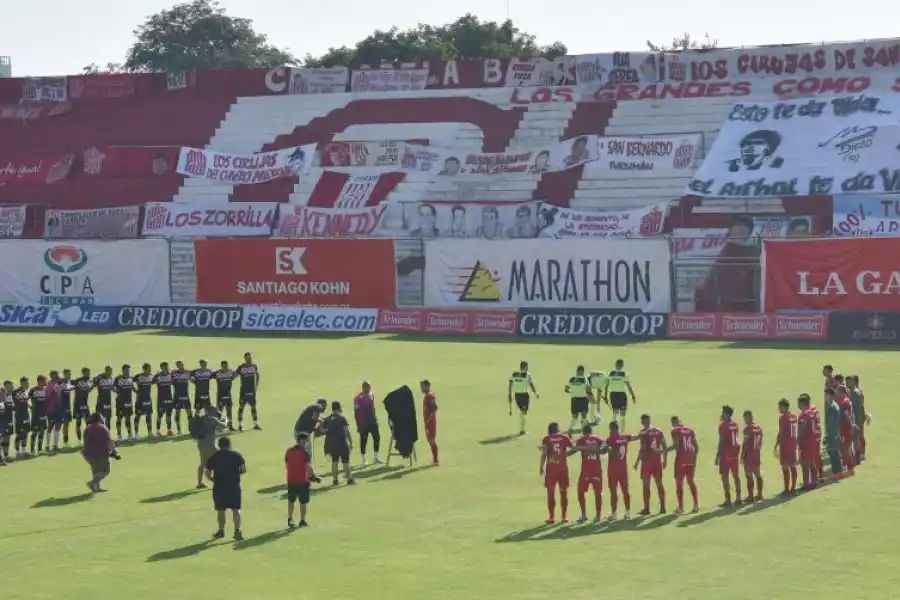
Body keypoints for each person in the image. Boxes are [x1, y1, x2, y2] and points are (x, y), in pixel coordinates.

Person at [204, 436, 246, 541]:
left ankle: (221, 531)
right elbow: (243, 469)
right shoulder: (236, 455)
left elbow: (207, 473)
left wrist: (213, 480)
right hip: (234, 486)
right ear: (229, 445)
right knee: (236, 510)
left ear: (219, 445)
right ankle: (238, 531)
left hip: (219, 487)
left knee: (220, 510)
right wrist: (237, 474)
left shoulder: (214, 457)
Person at [285, 433, 320, 529]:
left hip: (291, 480)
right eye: (306, 441)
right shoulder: (305, 453)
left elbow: (287, 465)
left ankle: (290, 519)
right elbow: (308, 467)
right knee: (303, 502)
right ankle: (302, 520)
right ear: (302, 441)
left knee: (291, 500)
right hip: (302, 481)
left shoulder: (289, 451)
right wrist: (313, 476)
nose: (307, 443)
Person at [634, 414, 666, 515]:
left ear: (642, 422)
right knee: (659, 484)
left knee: (646, 486)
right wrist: (665, 460)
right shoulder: (659, 431)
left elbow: (642, 449)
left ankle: (647, 508)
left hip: (647, 462)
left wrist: (636, 462)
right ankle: (662, 507)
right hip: (657, 462)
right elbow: (664, 446)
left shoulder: (643, 433)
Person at [539, 422, 572, 524]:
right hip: (562, 469)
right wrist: (564, 455)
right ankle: (564, 517)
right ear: (557, 429)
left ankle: (551, 517)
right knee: (563, 493)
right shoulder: (564, 437)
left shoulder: (546, 439)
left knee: (551, 493)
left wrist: (541, 466)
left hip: (551, 470)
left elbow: (544, 453)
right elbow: (574, 448)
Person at [574, 424, 607, 523]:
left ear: (583, 431)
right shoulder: (597, 439)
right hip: (597, 470)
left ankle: (584, 514)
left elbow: (576, 448)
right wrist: (599, 450)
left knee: (580, 492)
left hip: (586, 471)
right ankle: (598, 516)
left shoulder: (581, 439)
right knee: (598, 493)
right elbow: (605, 446)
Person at [669, 416, 699, 514]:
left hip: (681, 460)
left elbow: (675, 446)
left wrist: (662, 451)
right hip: (690, 459)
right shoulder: (690, 430)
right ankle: (695, 505)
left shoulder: (675, 431)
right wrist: (694, 458)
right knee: (690, 481)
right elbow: (696, 446)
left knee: (679, 483)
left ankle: (681, 507)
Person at [83, 412, 118, 492]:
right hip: (99, 453)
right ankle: (93, 483)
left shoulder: (88, 428)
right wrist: (114, 451)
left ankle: (96, 487)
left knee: (96, 471)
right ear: (99, 418)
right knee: (106, 470)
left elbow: (85, 441)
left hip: (87, 454)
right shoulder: (103, 428)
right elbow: (109, 441)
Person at [605, 421, 633, 520]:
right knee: (625, 490)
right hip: (623, 468)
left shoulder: (610, 439)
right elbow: (634, 437)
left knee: (613, 492)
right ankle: (628, 512)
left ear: (612, 429)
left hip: (613, 469)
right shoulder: (625, 437)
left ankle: (614, 514)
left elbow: (603, 448)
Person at [194, 406, 228, 489]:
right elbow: (224, 426)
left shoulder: (201, 420)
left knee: (202, 463)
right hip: (211, 446)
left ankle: (199, 483)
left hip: (201, 445)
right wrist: (225, 420)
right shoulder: (212, 419)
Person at [323, 401, 355, 486]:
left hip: (331, 444)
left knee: (334, 461)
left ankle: (335, 480)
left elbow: (322, 430)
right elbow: (346, 431)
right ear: (339, 409)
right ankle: (349, 479)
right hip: (341, 443)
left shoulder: (327, 419)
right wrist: (350, 441)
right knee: (345, 462)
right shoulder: (342, 419)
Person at [716, 405, 742, 507]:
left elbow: (721, 441)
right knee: (736, 476)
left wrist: (718, 455)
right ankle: (739, 498)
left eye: (722, 413)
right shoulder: (735, 424)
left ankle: (728, 500)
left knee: (725, 476)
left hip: (726, 454)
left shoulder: (723, 426)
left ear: (726, 414)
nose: (721, 415)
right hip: (735, 453)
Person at [353, 381, 381, 466]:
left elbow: (373, 408)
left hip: (372, 421)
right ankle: (364, 459)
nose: (369, 389)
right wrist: (358, 424)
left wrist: (376, 419)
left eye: (369, 387)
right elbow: (356, 412)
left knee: (377, 437)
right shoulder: (358, 398)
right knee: (363, 440)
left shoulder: (371, 395)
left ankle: (376, 457)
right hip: (363, 422)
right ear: (363, 388)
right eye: (367, 387)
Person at [773, 399, 797, 495]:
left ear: (784, 407)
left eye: (780, 407)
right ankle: (793, 488)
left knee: (785, 467)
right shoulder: (794, 416)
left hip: (785, 444)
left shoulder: (782, 418)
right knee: (792, 465)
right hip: (793, 444)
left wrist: (776, 444)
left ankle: (787, 489)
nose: (779, 409)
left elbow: (781, 431)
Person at [508, 361, 539, 436]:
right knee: (524, 412)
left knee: (522, 411)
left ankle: (522, 428)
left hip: (517, 395)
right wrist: (536, 393)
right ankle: (522, 430)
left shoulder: (514, 374)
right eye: (527, 367)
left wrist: (509, 394)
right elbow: (531, 385)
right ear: (525, 367)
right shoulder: (527, 375)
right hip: (524, 395)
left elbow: (510, 384)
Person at [604, 359, 635, 432]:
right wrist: (633, 395)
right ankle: (622, 431)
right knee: (623, 413)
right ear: (622, 365)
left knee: (615, 412)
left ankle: (613, 429)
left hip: (613, 394)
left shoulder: (610, 373)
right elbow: (628, 386)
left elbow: (606, 386)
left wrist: (605, 397)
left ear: (616, 364)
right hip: (621, 394)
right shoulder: (624, 373)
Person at [797, 395, 821, 489]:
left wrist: (798, 439)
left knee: (805, 463)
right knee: (811, 462)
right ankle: (814, 481)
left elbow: (802, 429)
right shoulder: (813, 413)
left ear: (802, 404)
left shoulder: (803, 415)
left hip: (806, 441)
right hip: (813, 440)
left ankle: (806, 484)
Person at [740, 410, 764, 501]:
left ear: (749, 417)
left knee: (749, 475)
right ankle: (760, 494)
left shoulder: (747, 429)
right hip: (756, 454)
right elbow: (761, 441)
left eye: (745, 418)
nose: (745, 420)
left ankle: (751, 496)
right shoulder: (759, 427)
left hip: (749, 455)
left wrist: (742, 455)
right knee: (758, 474)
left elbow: (745, 444)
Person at [236, 352, 261, 431]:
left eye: (250, 357)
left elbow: (257, 375)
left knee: (253, 407)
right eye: (247, 358)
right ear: (245, 359)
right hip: (243, 391)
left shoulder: (254, 366)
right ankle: (240, 425)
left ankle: (255, 424)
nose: (249, 359)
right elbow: (235, 375)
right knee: (241, 407)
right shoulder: (241, 367)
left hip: (252, 391)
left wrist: (256, 385)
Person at [835, 385, 857, 474]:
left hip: (845, 428)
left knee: (844, 448)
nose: (836, 393)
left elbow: (847, 415)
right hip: (846, 427)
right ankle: (848, 467)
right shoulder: (848, 401)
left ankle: (849, 468)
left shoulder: (844, 402)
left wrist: (851, 426)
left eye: (837, 391)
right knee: (846, 447)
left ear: (841, 392)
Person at [823, 389, 844, 477]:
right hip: (835, 432)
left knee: (833, 452)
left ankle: (837, 472)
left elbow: (831, 422)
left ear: (830, 395)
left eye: (826, 395)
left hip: (833, 433)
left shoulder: (832, 406)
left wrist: (828, 434)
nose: (825, 397)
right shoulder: (834, 405)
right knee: (834, 452)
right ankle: (838, 471)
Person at [846, 375, 866, 463]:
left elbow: (857, 407)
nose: (847, 384)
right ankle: (857, 455)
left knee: (858, 437)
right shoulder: (851, 392)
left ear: (854, 382)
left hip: (856, 419)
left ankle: (860, 455)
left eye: (849, 382)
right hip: (854, 419)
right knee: (855, 438)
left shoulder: (855, 393)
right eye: (846, 382)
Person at [566, 365, 591, 433]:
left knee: (575, 417)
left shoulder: (572, 379)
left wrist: (572, 391)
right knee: (584, 416)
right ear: (582, 371)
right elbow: (589, 390)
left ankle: (569, 429)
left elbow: (566, 389)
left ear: (577, 371)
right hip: (583, 400)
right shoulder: (585, 380)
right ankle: (585, 431)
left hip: (574, 400)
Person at [114, 364, 135, 441]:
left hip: (129, 401)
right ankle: (119, 435)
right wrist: (117, 392)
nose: (127, 371)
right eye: (126, 370)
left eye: (128, 370)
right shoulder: (118, 378)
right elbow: (112, 386)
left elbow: (132, 387)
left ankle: (129, 435)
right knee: (119, 418)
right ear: (123, 370)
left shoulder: (130, 378)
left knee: (128, 418)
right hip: (120, 402)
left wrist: (137, 392)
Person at [29, 375, 49, 455]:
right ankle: (32, 450)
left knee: (41, 432)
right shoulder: (33, 390)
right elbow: (27, 399)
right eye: (45, 381)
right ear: (40, 381)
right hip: (36, 415)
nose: (46, 382)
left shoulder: (46, 390)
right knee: (34, 432)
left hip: (44, 414)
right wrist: (30, 406)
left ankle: (40, 449)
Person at [154, 362, 175, 436]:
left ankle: (169, 430)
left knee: (169, 415)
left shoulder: (170, 375)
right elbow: (152, 382)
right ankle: (158, 432)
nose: (167, 368)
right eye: (165, 367)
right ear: (162, 368)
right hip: (161, 399)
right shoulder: (158, 376)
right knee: (160, 415)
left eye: (167, 367)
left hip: (169, 398)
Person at [72, 368, 93, 442]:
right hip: (78, 404)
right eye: (87, 373)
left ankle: (88, 439)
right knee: (79, 422)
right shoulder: (78, 380)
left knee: (88, 422)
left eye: (89, 372)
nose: (88, 374)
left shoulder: (89, 381)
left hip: (85, 404)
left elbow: (90, 388)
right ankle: (79, 440)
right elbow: (69, 383)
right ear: (83, 373)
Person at [134, 364, 154, 438]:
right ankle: (136, 434)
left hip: (148, 399)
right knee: (138, 416)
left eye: (150, 368)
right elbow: (129, 381)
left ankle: (149, 432)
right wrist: (135, 391)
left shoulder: (151, 376)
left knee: (148, 416)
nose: (150, 370)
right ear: (144, 369)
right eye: (148, 369)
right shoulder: (138, 376)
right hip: (140, 399)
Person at [46, 371, 64, 452]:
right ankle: (47, 445)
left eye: (56, 375)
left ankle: (56, 445)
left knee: (58, 427)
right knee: (50, 426)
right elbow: (48, 397)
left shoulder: (59, 383)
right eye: (53, 375)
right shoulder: (50, 385)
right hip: (51, 409)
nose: (55, 376)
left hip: (59, 408)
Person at [172, 360, 193, 434]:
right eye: (180, 365)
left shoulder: (188, 373)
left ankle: (191, 429)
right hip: (177, 396)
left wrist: (193, 380)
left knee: (189, 413)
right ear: (177, 366)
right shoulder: (173, 373)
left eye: (182, 365)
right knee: (177, 413)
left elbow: (192, 379)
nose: (181, 366)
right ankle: (179, 430)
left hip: (185, 396)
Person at [421, 379, 439, 465]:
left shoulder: (429, 396)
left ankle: (436, 461)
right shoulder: (428, 396)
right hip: (428, 423)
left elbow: (434, 409)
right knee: (430, 441)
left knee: (432, 441)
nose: (421, 388)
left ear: (427, 386)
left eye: (423, 386)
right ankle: (435, 460)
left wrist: (428, 420)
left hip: (430, 423)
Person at [214, 361, 236, 430]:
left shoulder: (230, 372)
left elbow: (236, 374)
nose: (225, 367)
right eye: (224, 366)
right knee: (219, 412)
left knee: (229, 411)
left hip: (228, 395)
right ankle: (218, 427)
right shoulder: (217, 373)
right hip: (220, 395)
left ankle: (230, 426)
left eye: (226, 366)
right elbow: (209, 375)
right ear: (221, 366)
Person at [13, 377, 31, 457]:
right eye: (26, 383)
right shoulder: (16, 392)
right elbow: (16, 403)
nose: (28, 384)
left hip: (26, 415)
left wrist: (29, 406)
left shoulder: (26, 391)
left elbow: (24, 401)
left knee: (26, 433)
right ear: (22, 383)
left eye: (28, 383)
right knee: (19, 434)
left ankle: (23, 451)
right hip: (19, 417)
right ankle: (17, 452)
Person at [0, 381, 13, 462]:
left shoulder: (3, 403)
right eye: (1, 394)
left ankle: (3, 457)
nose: (3, 395)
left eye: (3, 394)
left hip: (4, 425)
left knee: (4, 439)